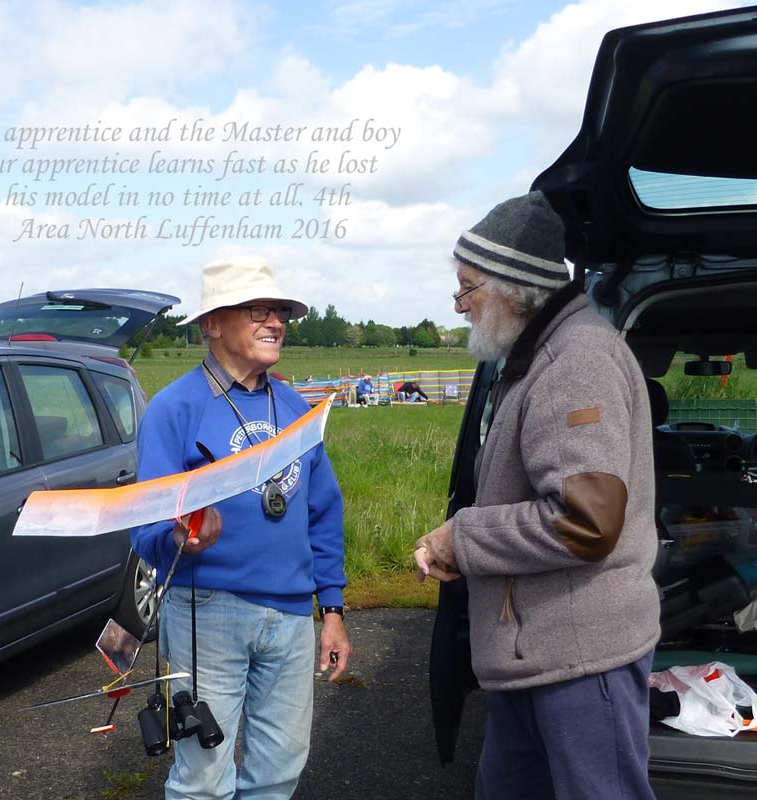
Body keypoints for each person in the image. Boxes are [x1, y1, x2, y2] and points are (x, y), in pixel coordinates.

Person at [413, 191, 659, 800]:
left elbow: (586, 522)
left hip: (580, 660)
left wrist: (462, 539)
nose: (461, 307)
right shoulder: (540, 355)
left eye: (468, 289)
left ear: (513, 289)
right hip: (540, 655)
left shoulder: (575, 363)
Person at [131, 256, 352, 800]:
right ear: (212, 323)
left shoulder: (296, 409)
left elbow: (323, 512)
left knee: (280, 771)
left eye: (279, 312)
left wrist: (333, 610)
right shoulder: (174, 409)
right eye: (257, 310)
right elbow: (145, 524)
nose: (274, 322)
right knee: (204, 781)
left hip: (292, 616)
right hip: (208, 610)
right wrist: (179, 538)